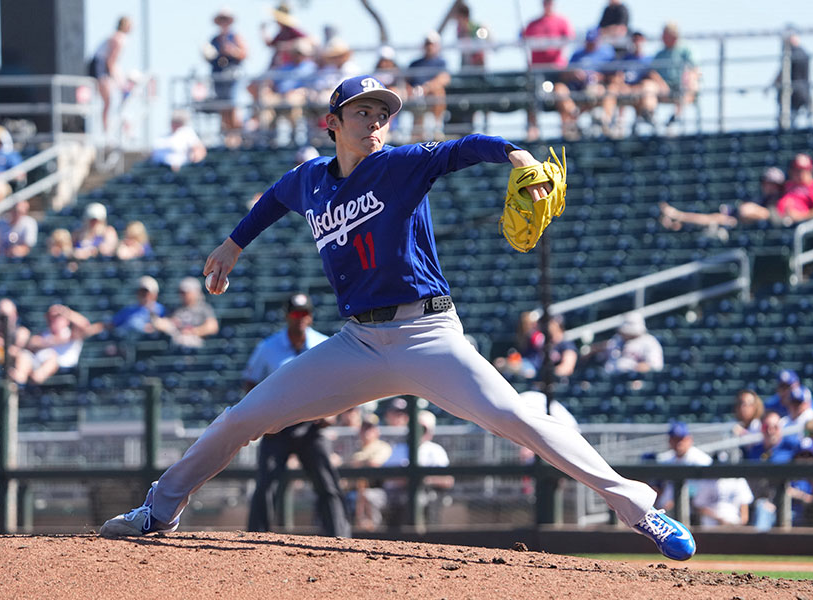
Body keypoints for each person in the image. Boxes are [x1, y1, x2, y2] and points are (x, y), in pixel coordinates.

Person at [100, 74, 696, 562]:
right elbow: (276, 196)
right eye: (364, 112)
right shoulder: (310, 179)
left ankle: (641, 510)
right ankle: (160, 508)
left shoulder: (403, 164)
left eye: (383, 113)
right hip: (357, 343)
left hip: (428, 334)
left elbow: (465, 147)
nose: (377, 121)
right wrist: (234, 243)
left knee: (518, 416)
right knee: (243, 417)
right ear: (332, 123)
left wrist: (515, 154)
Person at [243, 293, 350, 538]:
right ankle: (256, 539)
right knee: (266, 484)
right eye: (295, 313)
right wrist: (261, 415)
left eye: (304, 313)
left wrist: (333, 413)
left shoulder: (326, 344)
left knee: (328, 485)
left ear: (310, 316)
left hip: (313, 426)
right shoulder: (268, 347)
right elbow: (250, 382)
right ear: (287, 316)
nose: (300, 318)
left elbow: (342, 383)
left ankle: (340, 537)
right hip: (278, 426)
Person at [382, 409, 454, 528]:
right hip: (395, 493)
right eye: (417, 427)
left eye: (423, 428)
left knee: (418, 499)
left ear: (430, 431)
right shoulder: (399, 448)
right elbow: (385, 477)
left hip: (426, 492)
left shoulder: (435, 450)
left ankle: (420, 539)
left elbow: (447, 481)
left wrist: (424, 480)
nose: (419, 431)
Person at [659, 166, 787, 231]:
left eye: (773, 184)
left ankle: (678, 216)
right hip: (733, 217)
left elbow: (757, 213)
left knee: (715, 219)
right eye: (767, 183)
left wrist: (750, 211)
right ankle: (679, 220)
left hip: (736, 222)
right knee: (711, 215)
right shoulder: (762, 198)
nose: (768, 187)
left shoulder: (778, 200)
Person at [521, 0, 575, 141]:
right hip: (538, 70)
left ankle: (567, 129)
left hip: (556, 70)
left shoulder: (562, 21)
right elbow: (522, 38)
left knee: (561, 91)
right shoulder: (533, 24)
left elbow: (570, 38)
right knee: (532, 96)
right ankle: (533, 131)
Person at [552, 28, 616, 140]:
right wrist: (574, 74)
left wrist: (597, 76)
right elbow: (564, 75)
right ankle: (574, 117)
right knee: (559, 88)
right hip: (576, 88)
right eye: (589, 41)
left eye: (593, 41)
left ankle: (604, 122)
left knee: (601, 90)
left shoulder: (607, 54)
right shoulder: (577, 54)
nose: (591, 43)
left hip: (596, 88)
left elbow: (613, 76)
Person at [604, 31, 670, 136]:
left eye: (639, 40)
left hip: (639, 90)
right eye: (635, 39)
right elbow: (618, 76)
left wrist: (662, 85)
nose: (637, 42)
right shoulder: (625, 58)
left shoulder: (648, 59)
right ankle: (607, 122)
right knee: (612, 89)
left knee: (648, 87)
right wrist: (622, 86)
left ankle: (649, 116)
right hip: (625, 89)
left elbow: (652, 75)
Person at [9, 304, 92, 385]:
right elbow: (33, 343)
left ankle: (36, 377)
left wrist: (66, 312)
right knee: (24, 354)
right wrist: (52, 341)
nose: (54, 321)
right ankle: (20, 379)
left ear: (66, 320)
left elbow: (85, 325)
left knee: (52, 358)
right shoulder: (45, 334)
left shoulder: (71, 333)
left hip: (62, 368)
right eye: (51, 318)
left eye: (58, 318)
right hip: (39, 364)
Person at [204, 7, 247, 143]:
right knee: (223, 106)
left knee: (232, 105)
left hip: (232, 75)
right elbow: (209, 57)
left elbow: (244, 54)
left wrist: (231, 51)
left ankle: (236, 136)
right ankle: (228, 137)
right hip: (218, 76)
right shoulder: (214, 39)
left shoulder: (235, 37)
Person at [346, 412, 393, 530]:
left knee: (368, 496)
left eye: (370, 428)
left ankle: (375, 533)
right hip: (354, 489)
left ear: (377, 431)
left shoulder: (383, 446)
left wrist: (359, 463)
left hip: (379, 489)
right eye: (364, 428)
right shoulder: (356, 448)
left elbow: (375, 463)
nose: (367, 432)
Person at [654, 422, 712, 512]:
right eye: (674, 439)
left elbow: (704, 490)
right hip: (666, 509)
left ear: (689, 439)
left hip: (696, 508)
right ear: (669, 441)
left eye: (681, 439)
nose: (678, 443)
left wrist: (674, 502)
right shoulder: (666, 459)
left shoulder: (701, 460)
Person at [89, 16, 132, 133]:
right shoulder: (119, 39)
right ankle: (105, 131)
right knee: (108, 100)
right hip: (100, 66)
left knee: (110, 100)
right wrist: (119, 81)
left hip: (102, 66)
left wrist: (119, 79)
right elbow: (111, 61)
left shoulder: (119, 38)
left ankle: (109, 130)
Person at [652, 22, 700, 129]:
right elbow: (652, 72)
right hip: (664, 87)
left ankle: (676, 116)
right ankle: (653, 121)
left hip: (682, 84)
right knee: (648, 88)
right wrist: (661, 83)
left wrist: (688, 77)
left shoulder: (686, 50)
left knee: (691, 84)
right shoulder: (660, 54)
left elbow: (694, 68)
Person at [405, 31, 451, 141]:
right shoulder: (414, 64)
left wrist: (426, 88)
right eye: (427, 43)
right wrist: (412, 90)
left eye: (432, 44)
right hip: (415, 97)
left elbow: (444, 78)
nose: (429, 46)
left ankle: (436, 128)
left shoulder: (441, 63)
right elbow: (405, 81)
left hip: (430, 95)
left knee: (438, 92)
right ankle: (417, 136)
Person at [151, 277, 219, 349]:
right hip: (177, 340)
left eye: (186, 292)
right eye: (181, 292)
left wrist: (193, 331)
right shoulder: (176, 308)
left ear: (195, 292)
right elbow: (164, 323)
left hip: (195, 341)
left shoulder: (204, 308)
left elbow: (213, 326)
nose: (183, 295)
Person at [90, 275, 165, 336]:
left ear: (155, 294)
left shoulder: (161, 310)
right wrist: (91, 329)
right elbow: (111, 324)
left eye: (146, 293)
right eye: (141, 292)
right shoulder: (129, 310)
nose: (144, 295)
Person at [775, 153, 813, 223]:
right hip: (779, 221)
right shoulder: (788, 185)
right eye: (795, 170)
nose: (797, 173)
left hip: (801, 227)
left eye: (801, 170)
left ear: (810, 171)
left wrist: (800, 216)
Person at [770, 32, 810, 126]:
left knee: (787, 118)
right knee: (793, 117)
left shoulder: (791, 55)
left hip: (792, 92)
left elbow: (784, 72)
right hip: (803, 91)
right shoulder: (804, 54)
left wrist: (773, 84)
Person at [453, 2, 489, 71]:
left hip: (477, 64)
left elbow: (486, 40)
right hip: (465, 63)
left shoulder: (475, 27)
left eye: (457, 16)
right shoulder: (459, 29)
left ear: (462, 16)